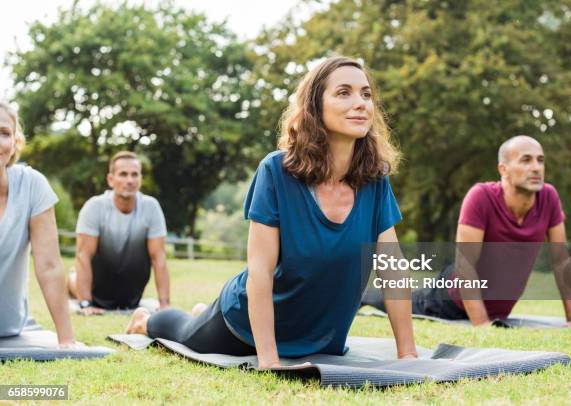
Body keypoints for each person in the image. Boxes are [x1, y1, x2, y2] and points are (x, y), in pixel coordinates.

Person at [126, 56, 418, 367]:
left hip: (320, 337)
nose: (360, 103)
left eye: (366, 94)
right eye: (344, 92)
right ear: (315, 107)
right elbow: (260, 272)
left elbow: (393, 270)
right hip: (244, 329)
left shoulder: (374, 180)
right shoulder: (276, 171)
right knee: (184, 332)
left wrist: (408, 354)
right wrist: (268, 360)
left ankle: (201, 310)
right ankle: (146, 320)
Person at [363, 135, 571, 327]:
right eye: (526, 160)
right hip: (448, 300)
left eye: (540, 161)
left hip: (497, 311)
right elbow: (465, 266)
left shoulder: (548, 198)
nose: (536, 168)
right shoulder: (481, 196)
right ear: (504, 169)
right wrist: (482, 325)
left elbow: (561, 261)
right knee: (400, 301)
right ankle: (360, 298)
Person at [0, 101, 78, 346]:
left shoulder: (32, 185)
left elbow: (49, 266)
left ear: (15, 144)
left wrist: (67, 340)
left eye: (3, 133)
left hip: (8, 327)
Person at [67, 151, 170, 315]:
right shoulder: (94, 207)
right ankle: (73, 279)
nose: (130, 180)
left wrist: (164, 304)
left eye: (135, 175)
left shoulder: (151, 207)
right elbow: (83, 256)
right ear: (111, 179)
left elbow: (159, 258)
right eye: (123, 174)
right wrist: (86, 304)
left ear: (140, 179)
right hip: (96, 290)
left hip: (130, 296)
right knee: (72, 278)